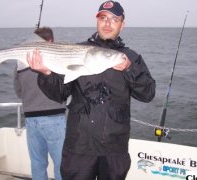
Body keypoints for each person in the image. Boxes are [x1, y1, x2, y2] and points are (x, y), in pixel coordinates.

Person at [27, 1, 156, 179]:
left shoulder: (130, 58)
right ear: (97, 21)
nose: (107, 23)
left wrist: (129, 69)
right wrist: (46, 73)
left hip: (114, 148)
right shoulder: (76, 51)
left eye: (114, 19)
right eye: (103, 18)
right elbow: (60, 94)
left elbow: (148, 94)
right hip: (79, 146)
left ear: (122, 25)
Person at [14, 26, 66, 180]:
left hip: (30, 119)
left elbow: (18, 91)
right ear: (51, 41)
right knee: (61, 164)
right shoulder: (56, 58)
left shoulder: (20, 62)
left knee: (37, 163)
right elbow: (65, 88)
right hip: (55, 117)